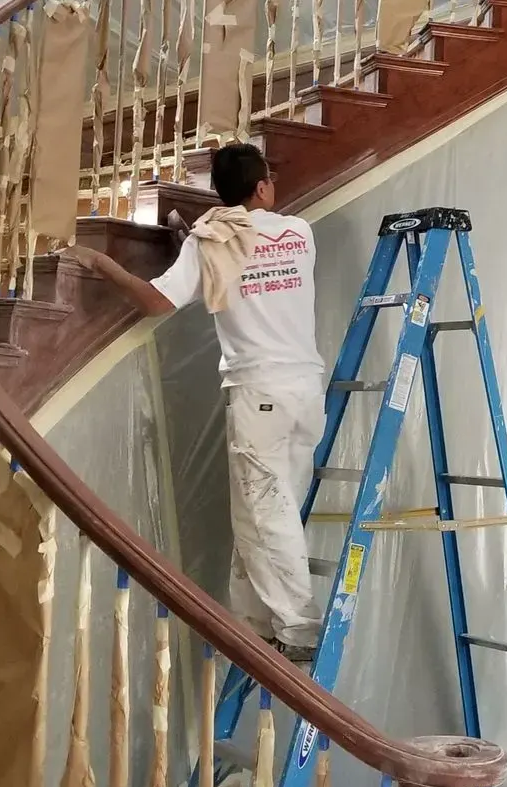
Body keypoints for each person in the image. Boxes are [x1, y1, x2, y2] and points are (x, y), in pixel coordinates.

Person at [74, 142, 325, 664]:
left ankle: (299, 626)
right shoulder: (299, 234)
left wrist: (104, 265)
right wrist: (195, 237)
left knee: (264, 512)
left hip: (259, 395)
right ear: (262, 188)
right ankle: (257, 621)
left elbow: (155, 302)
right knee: (272, 510)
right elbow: (248, 247)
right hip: (305, 393)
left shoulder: (210, 245)